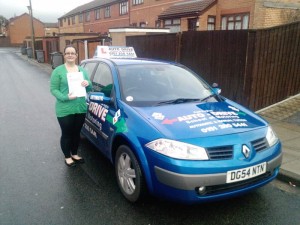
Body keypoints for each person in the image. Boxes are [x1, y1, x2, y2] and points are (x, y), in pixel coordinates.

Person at [50, 45, 92, 167]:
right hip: (64, 108)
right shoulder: (58, 71)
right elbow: (53, 89)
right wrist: (65, 97)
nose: (70, 55)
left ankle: (74, 153)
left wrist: (87, 83)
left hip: (80, 107)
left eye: (72, 53)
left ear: (76, 55)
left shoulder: (82, 70)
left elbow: (90, 87)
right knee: (67, 133)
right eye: (67, 53)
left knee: (76, 132)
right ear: (64, 55)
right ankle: (67, 156)